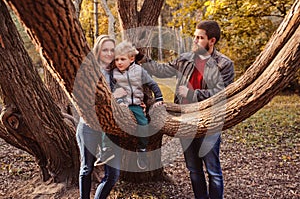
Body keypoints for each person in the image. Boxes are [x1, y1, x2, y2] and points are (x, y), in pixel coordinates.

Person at [141, 20, 234, 198]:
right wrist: (140, 58)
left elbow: (221, 93)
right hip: (185, 120)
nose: (195, 40)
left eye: (200, 38)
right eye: (195, 36)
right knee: (193, 169)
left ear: (212, 41)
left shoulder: (224, 64)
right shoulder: (185, 58)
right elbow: (161, 70)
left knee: (213, 170)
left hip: (209, 120)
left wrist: (192, 94)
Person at [76, 35, 122, 199]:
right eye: (105, 50)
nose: (109, 53)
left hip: (111, 127)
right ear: (98, 51)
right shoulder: (89, 71)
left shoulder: (119, 71)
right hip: (88, 124)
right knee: (86, 168)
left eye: (112, 50)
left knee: (113, 174)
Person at [109, 40, 164, 170]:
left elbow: (152, 84)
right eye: (116, 60)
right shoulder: (114, 73)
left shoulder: (139, 71)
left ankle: (142, 149)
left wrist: (159, 98)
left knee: (143, 124)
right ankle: (106, 149)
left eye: (122, 59)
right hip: (120, 104)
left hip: (135, 105)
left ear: (132, 58)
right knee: (110, 125)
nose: (119, 62)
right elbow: (110, 89)